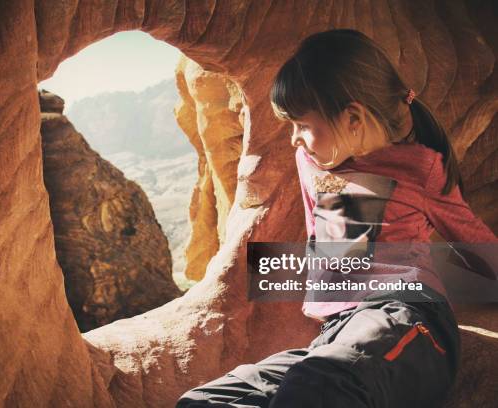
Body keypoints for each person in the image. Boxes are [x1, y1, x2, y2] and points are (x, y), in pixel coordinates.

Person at [175, 29, 498, 408]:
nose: (293, 138)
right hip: (337, 336)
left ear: (353, 118)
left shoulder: (421, 168)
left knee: (321, 384)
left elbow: (479, 247)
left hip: (408, 317)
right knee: (204, 400)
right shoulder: (312, 159)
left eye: (302, 125)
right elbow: (332, 245)